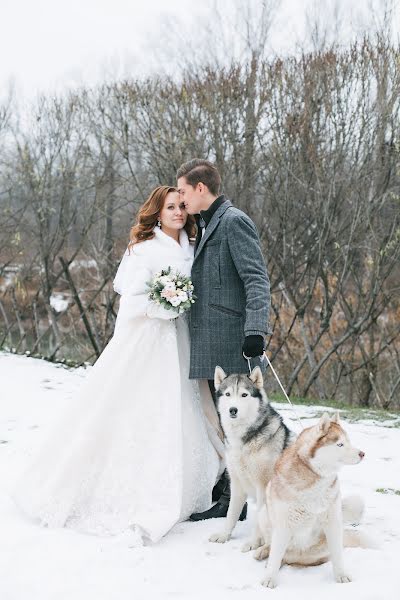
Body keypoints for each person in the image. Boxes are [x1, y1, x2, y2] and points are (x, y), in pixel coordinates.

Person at [12, 186, 222, 543]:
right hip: (151, 340)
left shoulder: (190, 243)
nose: (177, 213)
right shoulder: (144, 249)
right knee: (139, 409)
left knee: (180, 409)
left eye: (181, 207)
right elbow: (132, 301)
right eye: (170, 207)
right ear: (156, 213)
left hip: (181, 340)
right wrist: (165, 305)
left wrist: (181, 305)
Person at [177, 159, 271, 520]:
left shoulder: (234, 222)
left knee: (242, 423)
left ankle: (235, 500)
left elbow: (256, 280)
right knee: (216, 419)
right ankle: (228, 489)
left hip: (234, 342)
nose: (181, 199)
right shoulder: (204, 224)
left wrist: (254, 332)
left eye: (183, 191)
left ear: (201, 189)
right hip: (207, 340)